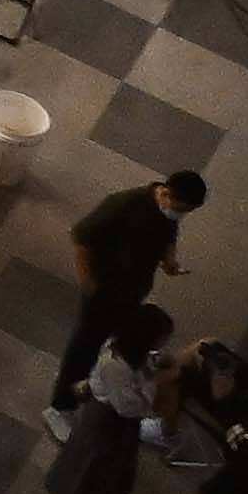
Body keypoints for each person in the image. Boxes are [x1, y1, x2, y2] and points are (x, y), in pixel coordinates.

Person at [59, 165, 207, 409]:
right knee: (84, 345)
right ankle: (62, 404)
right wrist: (89, 285)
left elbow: (169, 233)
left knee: (124, 334)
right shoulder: (124, 205)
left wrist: (169, 261)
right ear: (167, 194)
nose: (180, 215)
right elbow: (81, 238)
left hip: (132, 287)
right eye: (180, 209)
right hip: (104, 286)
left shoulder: (166, 211)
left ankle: (100, 380)